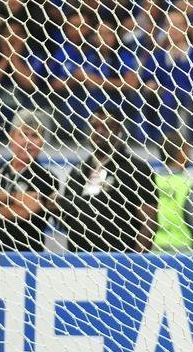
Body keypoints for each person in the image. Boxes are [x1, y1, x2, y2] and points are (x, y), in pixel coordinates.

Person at [56, 108, 157, 253]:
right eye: (94, 126)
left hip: (118, 264)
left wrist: (136, 265)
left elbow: (149, 223)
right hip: (78, 264)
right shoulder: (77, 171)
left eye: (107, 126)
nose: (99, 131)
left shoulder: (137, 169)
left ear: (119, 130)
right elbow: (66, 219)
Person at [0, 110, 56, 252]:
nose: (28, 141)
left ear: (42, 142)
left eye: (35, 136)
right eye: (23, 134)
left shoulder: (47, 177)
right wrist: (15, 197)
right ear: (12, 136)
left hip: (21, 254)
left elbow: (26, 211)